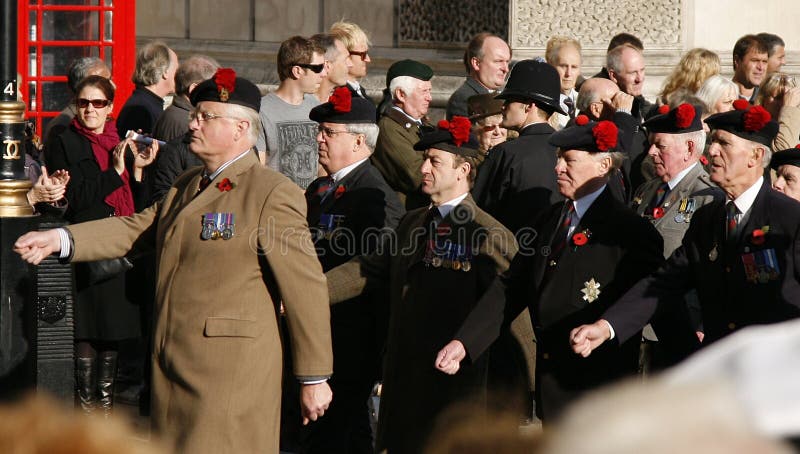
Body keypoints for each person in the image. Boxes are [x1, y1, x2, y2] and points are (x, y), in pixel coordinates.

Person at [15, 69, 333, 453]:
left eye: (205, 116)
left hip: (229, 377)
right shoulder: (188, 184)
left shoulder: (270, 193)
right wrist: (61, 238)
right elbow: (136, 228)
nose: (192, 123)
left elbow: (305, 286)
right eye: (195, 114)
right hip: (173, 370)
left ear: (240, 128)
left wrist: (313, 375)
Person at [436, 116, 664, 421]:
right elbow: (511, 287)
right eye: (558, 160)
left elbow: (653, 301)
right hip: (552, 386)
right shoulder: (550, 219)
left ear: (603, 165)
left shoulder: (630, 232)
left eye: (569, 160)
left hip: (598, 394)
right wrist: (464, 342)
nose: (558, 168)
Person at [326, 118, 518, 453]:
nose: (424, 168)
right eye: (425, 159)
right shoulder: (412, 222)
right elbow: (367, 269)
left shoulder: (488, 233)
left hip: (454, 383)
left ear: (463, 170)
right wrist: (306, 291)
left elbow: (511, 305)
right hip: (405, 377)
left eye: (435, 161)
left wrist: (517, 388)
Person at [570, 101, 800, 366]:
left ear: (756, 156)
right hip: (721, 372)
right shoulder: (708, 219)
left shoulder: (789, 219)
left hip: (778, 373)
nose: (712, 150)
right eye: (712, 141)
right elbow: (665, 282)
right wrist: (608, 326)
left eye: (723, 144)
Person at [292, 87, 404, 453]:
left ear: (359, 141)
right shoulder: (322, 188)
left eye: (329, 132)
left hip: (350, 336)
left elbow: (374, 271)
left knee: (342, 431)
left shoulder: (375, 194)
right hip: (320, 329)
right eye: (319, 131)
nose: (319, 139)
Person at [43, 75, 159, 417]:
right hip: (87, 244)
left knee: (113, 333)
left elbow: (137, 204)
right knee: (87, 332)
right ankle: (87, 412)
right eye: (83, 103)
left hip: (119, 245)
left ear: (110, 107)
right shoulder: (64, 140)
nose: (89, 110)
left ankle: (105, 412)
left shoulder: (117, 140)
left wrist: (136, 172)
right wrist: (115, 171)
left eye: (98, 103)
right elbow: (75, 198)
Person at [632, 103, 724, 371]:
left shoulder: (708, 197)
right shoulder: (646, 191)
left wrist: (703, 324)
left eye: (660, 146)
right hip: (637, 322)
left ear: (689, 149)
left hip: (680, 326)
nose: (650, 153)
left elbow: (713, 268)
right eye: (651, 144)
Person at [471, 59, 566, 233]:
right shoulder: (567, 150)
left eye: (509, 99)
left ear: (529, 106)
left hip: (508, 251)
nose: (503, 106)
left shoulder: (506, 152)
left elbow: (479, 213)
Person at [256, 36, 326, 189]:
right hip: (277, 205)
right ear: (297, 71)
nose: (324, 74)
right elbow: (258, 170)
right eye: (318, 68)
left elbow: (322, 163)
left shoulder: (316, 106)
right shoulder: (261, 111)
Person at [372, 59, 434, 210]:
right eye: (423, 91)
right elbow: (418, 177)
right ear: (401, 94)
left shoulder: (422, 124)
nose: (429, 97)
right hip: (406, 217)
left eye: (429, 91)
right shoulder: (389, 129)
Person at [116, 41, 178, 140]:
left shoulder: (146, 101)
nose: (178, 74)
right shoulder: (142, 109)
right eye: (176, 69)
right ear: (165, 72)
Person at [43, 57, 111, 147]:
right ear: (83, 87)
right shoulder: (62, 127)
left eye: (109, 80)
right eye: (103, 83)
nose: (113, 86)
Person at [151, 54, 219, 142]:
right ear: (194, 89)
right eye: (211, 89)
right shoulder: (188, 124)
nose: (216, 95)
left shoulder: (174, 113)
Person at [446, 33, 511, 119]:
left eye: (507, 62)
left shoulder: (503, 95)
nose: (506, 69)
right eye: (498, 61)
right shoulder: (465, 100)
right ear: (476, 63)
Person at [755, 72, 800, 150]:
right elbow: (783, 151)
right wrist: (788, 108)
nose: (784, 102)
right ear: (763, 100)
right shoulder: (756, 128)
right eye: (778, 97)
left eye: (789, 97)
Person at [545, 36, 582, 128]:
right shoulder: (540, 105)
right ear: (550, 66)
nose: (568, 73)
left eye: (574, 67)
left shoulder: (586, 102)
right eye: (563, 66)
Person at [330, 21, 372, 100]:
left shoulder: (359, 90)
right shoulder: (339, 97)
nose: (368, 59)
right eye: (363, 54)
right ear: (346, 56)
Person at [310, 33, 353, 102]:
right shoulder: (300, 106)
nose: (351, 64)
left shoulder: (346, 102)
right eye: (346, 59)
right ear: (327, 65)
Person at [467, 93, 507, 165]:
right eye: (490, 127)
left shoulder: (515, 154)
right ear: (475, 130)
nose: (497, 132)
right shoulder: (469, 161)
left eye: (502, 126)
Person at [732, 34, 769, 104]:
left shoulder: (769, 100)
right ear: (737, 61)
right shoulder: (721, 97)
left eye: (764, 62)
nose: (760, 67)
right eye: (755, 60)